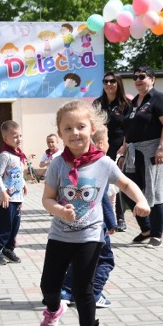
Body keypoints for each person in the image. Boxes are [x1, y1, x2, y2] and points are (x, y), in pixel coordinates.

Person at [39, 100, 150, 326]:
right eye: (68, 128)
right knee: (49, 287)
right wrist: (58, 210)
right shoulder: (57, 164)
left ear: (92, 128)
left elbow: (126, 184)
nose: (75, 133)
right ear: (60, 132)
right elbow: (47, 198)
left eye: (81, 126)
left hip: (89, 235)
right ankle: (53, 311)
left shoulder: (104, 163)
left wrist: (141, 200)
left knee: (82, 288)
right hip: (60, 234)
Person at [60, 126, 117, 309]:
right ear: (100, 144)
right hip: (96, 226)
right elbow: (103, 202)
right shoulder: (101, 165)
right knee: (105, 259)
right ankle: (94, 292)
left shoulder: (78, 163)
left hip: (77, 223)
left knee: (78, 260)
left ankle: (66, 291)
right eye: (107, 140)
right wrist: (112, 222)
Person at [118, 66, 163, 248]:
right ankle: (146, 229)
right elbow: (129, 130)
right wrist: (124, 150)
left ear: (152, 79)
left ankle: (156, 235)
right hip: (133, 151)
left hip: (153, 151)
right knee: (128, 190)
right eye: (135, 77)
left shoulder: (159, 99)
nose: (138, 80)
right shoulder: (134, 102)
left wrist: (162, 148)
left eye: (142, 76)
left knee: (154, 192)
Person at [94, 71, 131, 232]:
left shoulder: (126, 104)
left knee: (118, 182)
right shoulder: (98, 103)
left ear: (118, 83)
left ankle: (120, 218)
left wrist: (125, 146)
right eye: (106, 81)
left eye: (112, 81)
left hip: (118, 148)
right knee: (101, 182)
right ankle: (102, 216)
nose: (109, 84)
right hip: (100, 148)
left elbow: (129, 128)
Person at [0, 120, 27, 265]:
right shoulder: (5, 155)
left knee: (15, 225)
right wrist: (3, 192)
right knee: (4, 225)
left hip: (17, 198)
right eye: (15, 136)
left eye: (20, 136)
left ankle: (8, 249)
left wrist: (23, 184)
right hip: (6, 198)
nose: (19, 139)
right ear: (6, 138)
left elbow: (18, 174)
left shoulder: (18, 155)